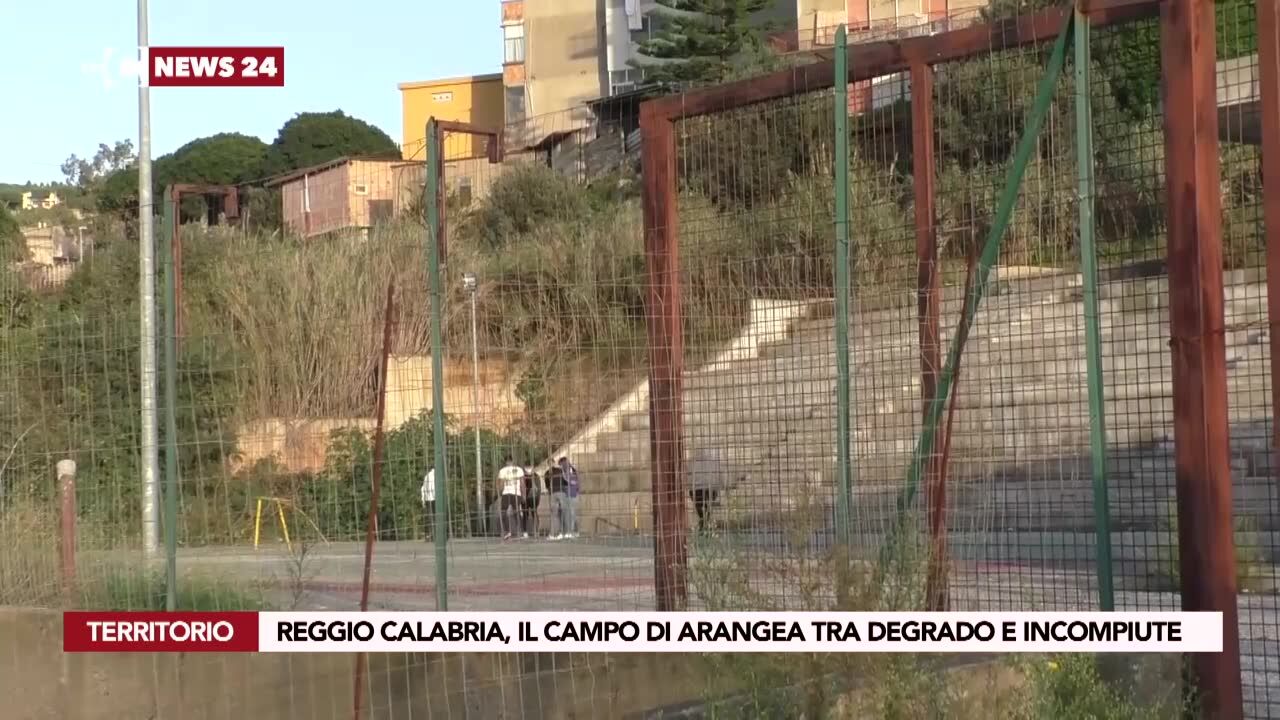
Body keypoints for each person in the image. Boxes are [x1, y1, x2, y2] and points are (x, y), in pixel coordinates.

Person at [689, 448, 725, 534]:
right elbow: (721, 477)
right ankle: (705, 522)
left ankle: (703, 522)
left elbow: (688, 477)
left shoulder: (692, 461)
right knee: (707, 506)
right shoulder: (714, 461)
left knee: (701, 506)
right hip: (710, 489)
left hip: (697, 489)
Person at [496, 456, 524, 541]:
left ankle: (508, 531)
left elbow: (501, 484)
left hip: (506, 493)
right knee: (516, 512)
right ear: (513, 461)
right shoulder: (519, 469)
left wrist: (500, 493)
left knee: (504, 512)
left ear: (506, 462)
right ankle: (520, 531)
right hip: (516, 493)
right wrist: (523, 495)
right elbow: (522, 483)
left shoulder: (502, 471)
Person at [544, 460, 568, 540]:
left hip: (553, 493)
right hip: (561, 492)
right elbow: (565, 481)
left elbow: (547, 485)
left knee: (554, 514)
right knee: (563, 513)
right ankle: (564, 532)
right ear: (554, 463)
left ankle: (553, 534)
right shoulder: (560, 470)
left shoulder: (547, 473)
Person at [560, 456, 581, 539]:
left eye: (563, 464)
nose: (562, 466)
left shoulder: (573, 472)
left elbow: (575, 481)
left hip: (573, 495)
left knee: (572, 514)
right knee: (569, 514)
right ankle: (575, 531)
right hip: (566, 495)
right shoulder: (563, 472)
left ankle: (571, 532)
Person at [521, 465, 542, 538]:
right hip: (525, 498)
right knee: (525, 515)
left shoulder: (536, 476)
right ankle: (525, 532)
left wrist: (538, 499)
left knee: (534, 514)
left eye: (529, 467)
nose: (528, 469)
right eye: (526, 467)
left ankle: (537, 531)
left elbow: (539, 489)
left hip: (533, 498)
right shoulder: (522, 476)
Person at [420, 466, 436, 541]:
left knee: (430, 517)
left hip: (428, 499)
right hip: (434, 499)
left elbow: (423, 488)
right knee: (435, 517)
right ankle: (434, 534)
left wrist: (423, 499)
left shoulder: (427, 476)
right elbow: (434, 488)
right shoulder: (436, 476)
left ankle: (430, 535)